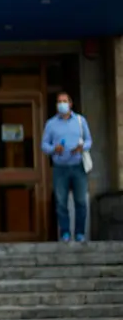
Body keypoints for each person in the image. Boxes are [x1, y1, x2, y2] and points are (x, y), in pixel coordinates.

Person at [41, 92, 93, 243]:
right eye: (59, 101)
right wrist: (53, 149)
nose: (62, 104)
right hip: (60, 168)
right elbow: (44, 145)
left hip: (78, 167)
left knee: (81, 201)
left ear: (70, 103)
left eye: (64, 101)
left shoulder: (80, 120)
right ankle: (65, 233)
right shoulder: (51, 124)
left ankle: (79, 233)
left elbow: (89, 140)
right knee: (61, 202)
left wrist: (82, 147)